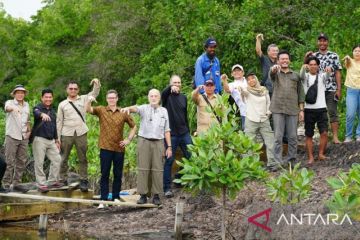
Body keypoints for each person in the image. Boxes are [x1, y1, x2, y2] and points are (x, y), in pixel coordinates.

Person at [87, 90, 136, 208]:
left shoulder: (123, 112)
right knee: (104, 174)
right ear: (106, 99)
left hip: (119, 148)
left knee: (117, 174)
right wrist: (89, 100)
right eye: (109, 98)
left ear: (117, 98)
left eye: (113, 98)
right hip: (105, 147)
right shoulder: (101, 110)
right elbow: (88, 110)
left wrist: (128, 140)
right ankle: (103, 200)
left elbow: (134, 126)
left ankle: (115, 197)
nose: (111, 100)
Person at [121, 89, 172, 205]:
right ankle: (143, 195)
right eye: (151, 96)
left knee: (158, 169)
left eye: (156, 96)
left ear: (159, 98)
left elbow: (167, 130)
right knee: (143, 168)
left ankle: (156, 195)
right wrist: (128, 108)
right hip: (144, 141)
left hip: (159, 142)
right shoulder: (144, 108)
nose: (153, 98)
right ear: (148, 97)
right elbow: (135, 108)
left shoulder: (164, 111)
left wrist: (169, 147)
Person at [57, 78, 101, 192]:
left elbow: (95, 93)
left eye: (75, 89)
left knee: (83, 158)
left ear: (78, 90)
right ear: (67, 90)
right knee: (63, 158)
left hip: (81, 132)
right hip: (66, 133)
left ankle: (83, 180)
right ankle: (62, 179)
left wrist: (96, 83)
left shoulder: (84, 98)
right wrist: (58, 138)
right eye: (71, 88)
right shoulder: (62, 104)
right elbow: (59, 122)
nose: (73, 90)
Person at [269, 50, 305, 166]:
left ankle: (291, 161)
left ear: (289, 60)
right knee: (278, 137)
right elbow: (271, 73)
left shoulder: (295, 75)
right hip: (277, 109)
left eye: (286, 59)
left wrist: (301, 110)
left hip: (292, 109)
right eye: (282, 59)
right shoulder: (276, 74)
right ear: (278, 61)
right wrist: (273, 69)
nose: (284, 60)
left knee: (293, 137)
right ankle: (277, 163)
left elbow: (300, 94)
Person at [307, 33, 342, 144]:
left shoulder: (334, 55)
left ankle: (335, 137)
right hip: (317, 89)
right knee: (317, 113)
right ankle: (317, 138)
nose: (322, 43)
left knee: (332, 111)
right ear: (317, 42)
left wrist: (338, 89)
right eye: (320, 41)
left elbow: (337, 72)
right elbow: (306, 69)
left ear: (327, 42)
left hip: (331, 88)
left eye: (324, 40)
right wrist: (306, 57)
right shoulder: (313, 55)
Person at [239, 73, 278, 170]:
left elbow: (269, 102)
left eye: (253, 78)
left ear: (256, 79)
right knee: (248, 143)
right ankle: (249, 166)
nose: (251, 80)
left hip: (264, 120)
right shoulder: (247, 90)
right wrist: (241, 89)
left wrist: (268, 113)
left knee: (270, 142)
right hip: (251, 120)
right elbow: (243, 93)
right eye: (248, 79)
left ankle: (272, 164)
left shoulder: (264, 90)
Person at [161, 75, 192, 198]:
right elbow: (163, 92)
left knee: (191, 156)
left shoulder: (184, 97)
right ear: (170, 84)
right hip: (171, 134)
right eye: (174, 82)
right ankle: (167, 188)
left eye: (179, 82)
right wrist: (170, 88)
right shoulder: (166, 96)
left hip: (184, 133)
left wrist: (188, 131)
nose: (177, 84)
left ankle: (180, 178)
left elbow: (185, 116)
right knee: (169, 160)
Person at [300, 56, 330, 164]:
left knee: (324, 132)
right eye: (310, 64)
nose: (313, 66)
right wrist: (303, 67)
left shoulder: (322, 76)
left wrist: (328, 71)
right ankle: (311, 157)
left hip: (321, 109)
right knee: (309, 134)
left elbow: (327, 76)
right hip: (309, 109)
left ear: (318, 66)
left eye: (315, 64)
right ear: (308, 66)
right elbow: (301, 75)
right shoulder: (305, 77)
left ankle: (321, 154)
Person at [32, 89, 63, 193]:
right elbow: (36, 113)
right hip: (39, 139)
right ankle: (41, 184)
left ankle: (52, 181)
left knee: (57, 159)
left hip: (51, 141)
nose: (48, 99)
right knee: (39, 162)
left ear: (52, 98)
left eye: (50, 97)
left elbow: (54, 127)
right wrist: (42, 115)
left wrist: (57, 139)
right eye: (46, 97)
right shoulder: (38, 107)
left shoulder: (53, 112)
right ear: (42, 98)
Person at [3, 85, 31, 193]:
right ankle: (5, 184)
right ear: (14, 94)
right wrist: (13, 108)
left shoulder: (27, 105)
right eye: (18, 92)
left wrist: (29, 131)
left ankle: (17, 184)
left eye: (22, 92)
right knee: (9, 161)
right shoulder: (9, 103)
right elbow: (7, 108)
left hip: (23, 137)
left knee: (21, 161)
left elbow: (27, 120)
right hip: (12, 136)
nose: (20, 94)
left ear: (24, 94)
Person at [221, 64, 247, 130]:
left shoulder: (249, 80)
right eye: (234, 71)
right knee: (247, 134)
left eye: (239, 70)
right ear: (232, 74)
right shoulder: (232, 85)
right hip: (245, 113)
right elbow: (227, 90)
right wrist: (224, 80)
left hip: (258, 111)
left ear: (243, 72)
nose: (237, 72)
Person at [343, 44, 360, 143]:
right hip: (352, 91)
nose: (358, 53)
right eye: (356, 51)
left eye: (359, 51)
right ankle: (348, 136)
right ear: (353, 52)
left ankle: (359, 135)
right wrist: (347, 58)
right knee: (350, 114)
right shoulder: (349, 62)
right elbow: (347, 61)